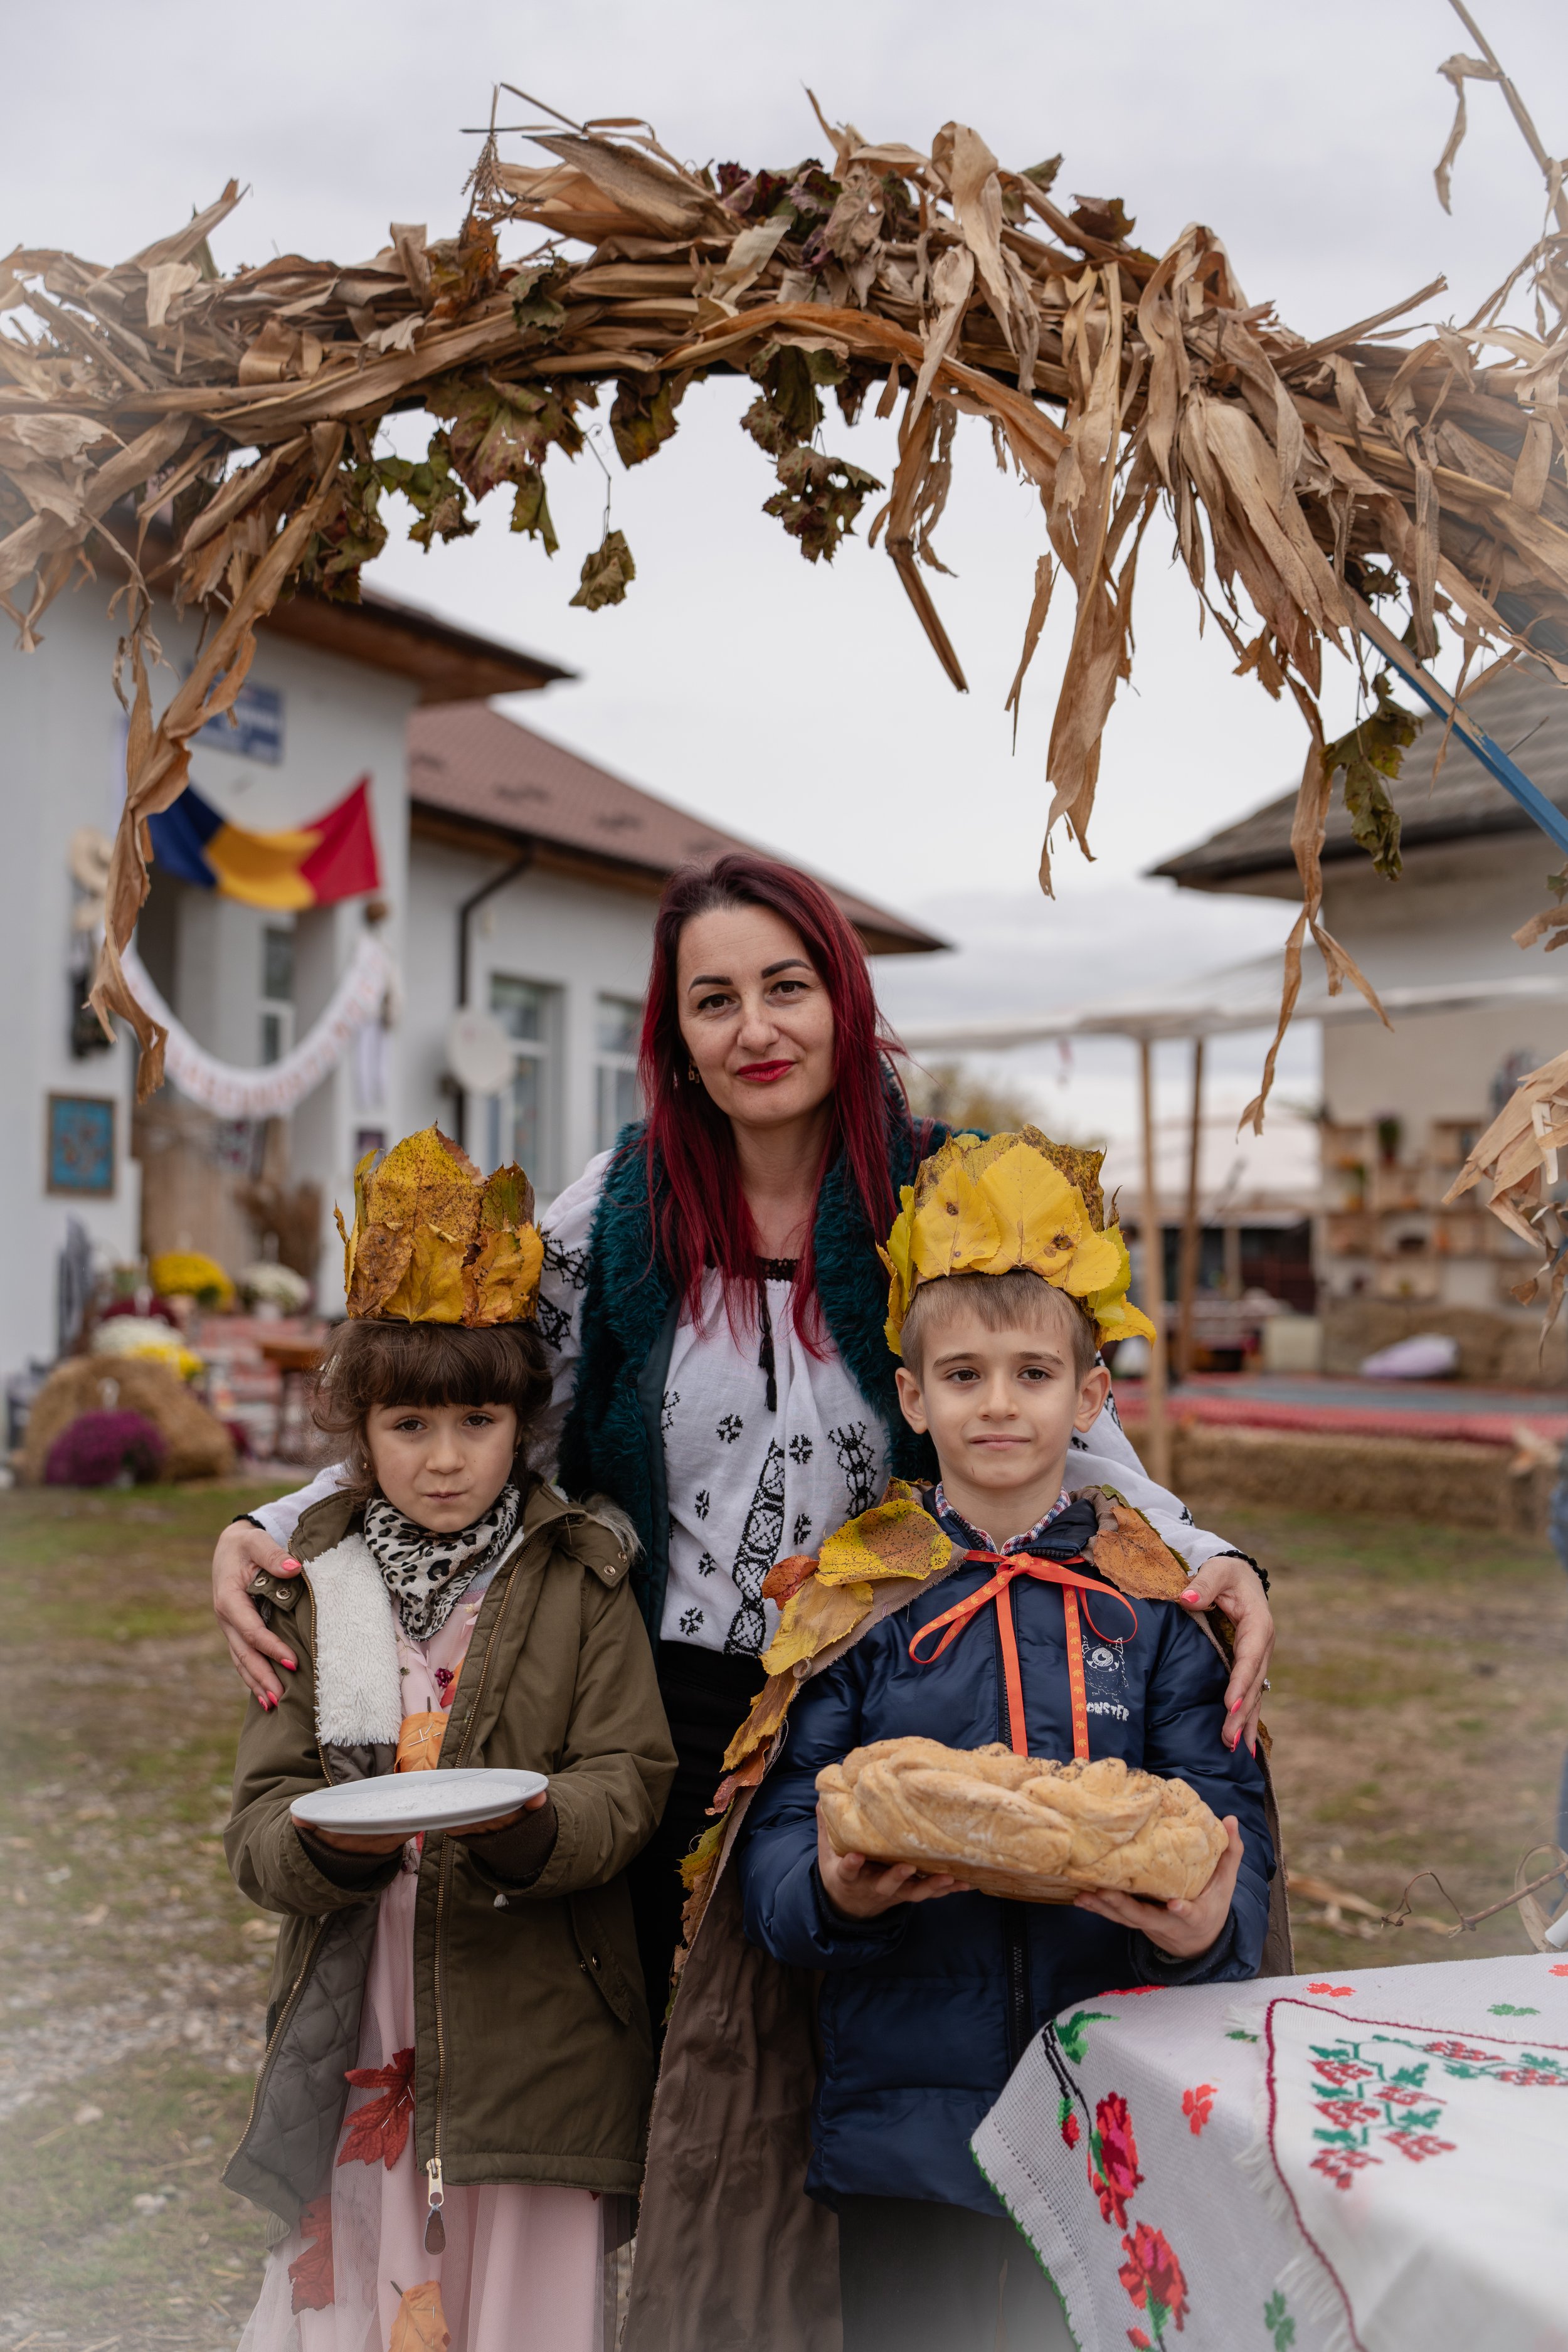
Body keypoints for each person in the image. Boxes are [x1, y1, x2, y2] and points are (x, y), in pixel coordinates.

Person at [210, 852, 1277, 2030]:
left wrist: (1201, 1550)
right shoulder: (624, 1204)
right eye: (714, 1001)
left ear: (845, 1003)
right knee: (680, 2058)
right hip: (659, 1706)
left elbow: (1060, 1413)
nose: (754, 1029)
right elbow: (479, 1382)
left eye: (787, 987)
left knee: (863, 2033)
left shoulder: (948, 1193)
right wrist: (276, 1524)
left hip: (892, 1690)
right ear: (674, 1033)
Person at [623, 1130, 1275, 2352]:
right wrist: (829, 1889)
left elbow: (1225, 1831)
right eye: (962, 1375)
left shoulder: (1153, 1610)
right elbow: (771, 1852)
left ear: (1089, 1397)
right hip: (901, 2141)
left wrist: (1210, 1930)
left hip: (1107, 2127)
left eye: (1032, 1375)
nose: (996, 1404)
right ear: (912, 1397)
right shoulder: (854, 1605)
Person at [223, 1128, 674, 2352]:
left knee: (518, 2308)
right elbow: (261, 1819)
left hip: (536, 2028)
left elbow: (629, 1778)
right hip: (366, 2025)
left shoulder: (578, 1578)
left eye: (474, 1421)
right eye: (408, 1424)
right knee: (366, 2302)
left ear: (521, 1420)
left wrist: (538, 1826)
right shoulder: (332, 1592)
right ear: (360, 1427)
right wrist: (331, 1849)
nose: (441, 1458)